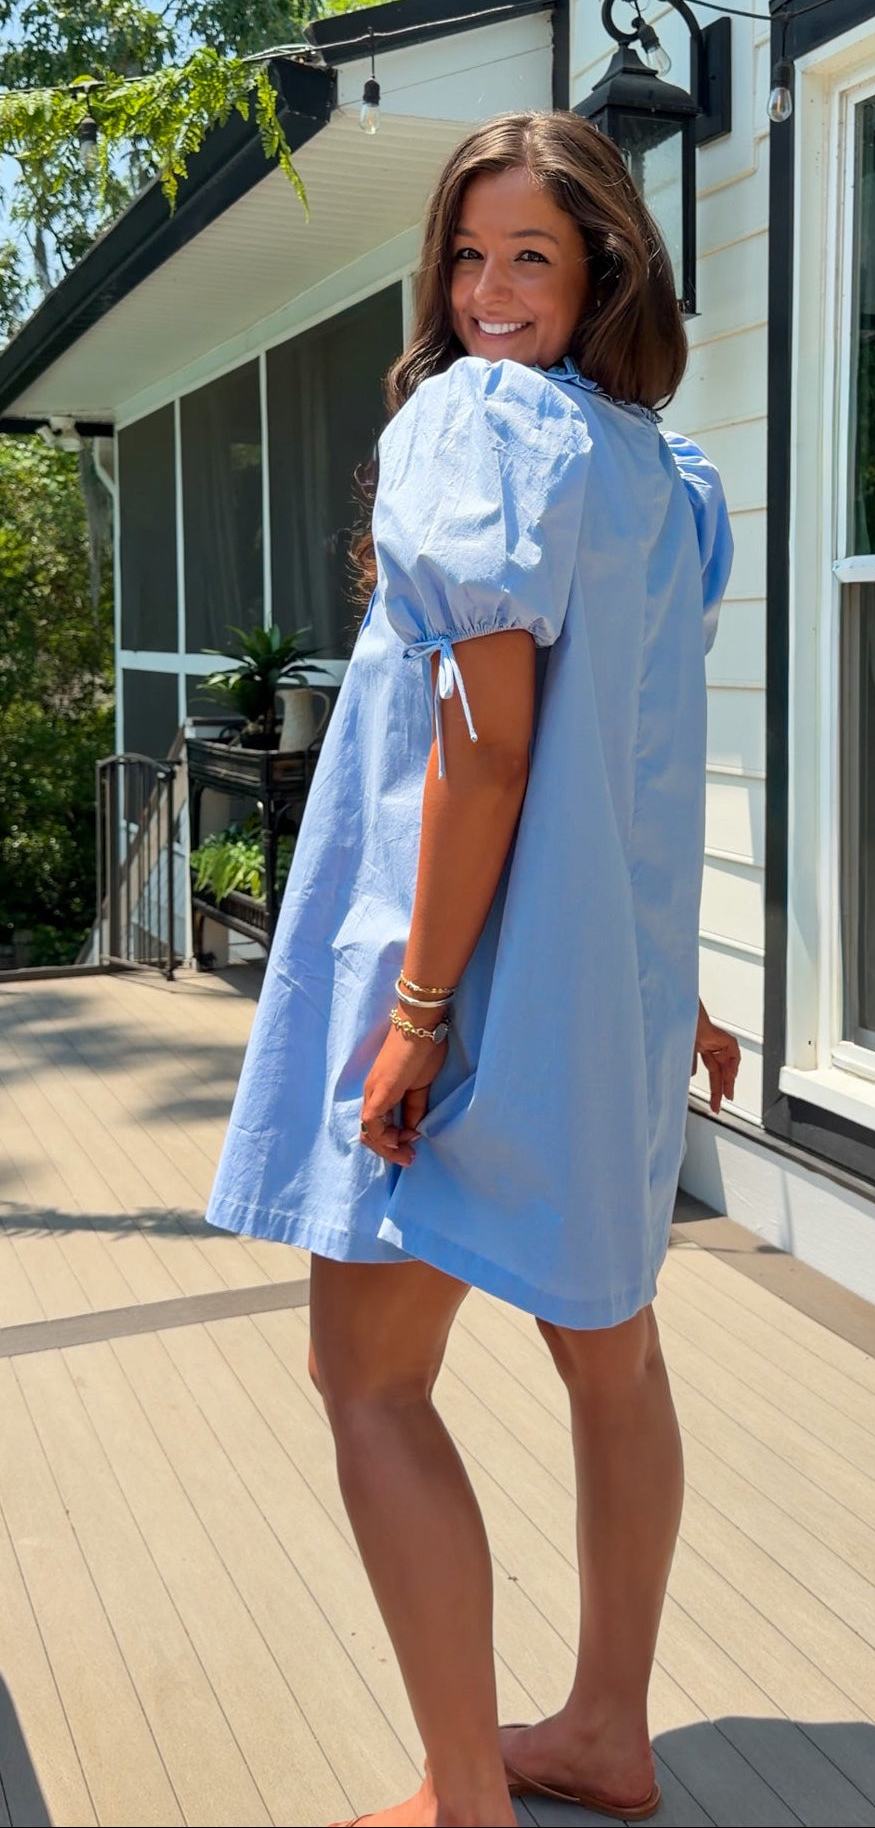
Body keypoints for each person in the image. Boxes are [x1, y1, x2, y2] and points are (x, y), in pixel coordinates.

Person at [206, 109, 741, 1828]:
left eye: (536, 254)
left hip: (469, 980)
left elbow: (491, 750)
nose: (493, 287)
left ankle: (463, 1795)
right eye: (469, 252)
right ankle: (605, 1726)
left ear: (602, 274)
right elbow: (644, 762)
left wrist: (417, 1014)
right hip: (609, 996)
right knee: (614, 1358)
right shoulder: (662, 474)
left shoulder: (473, 422)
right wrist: (689, 992)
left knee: (368, 1377)